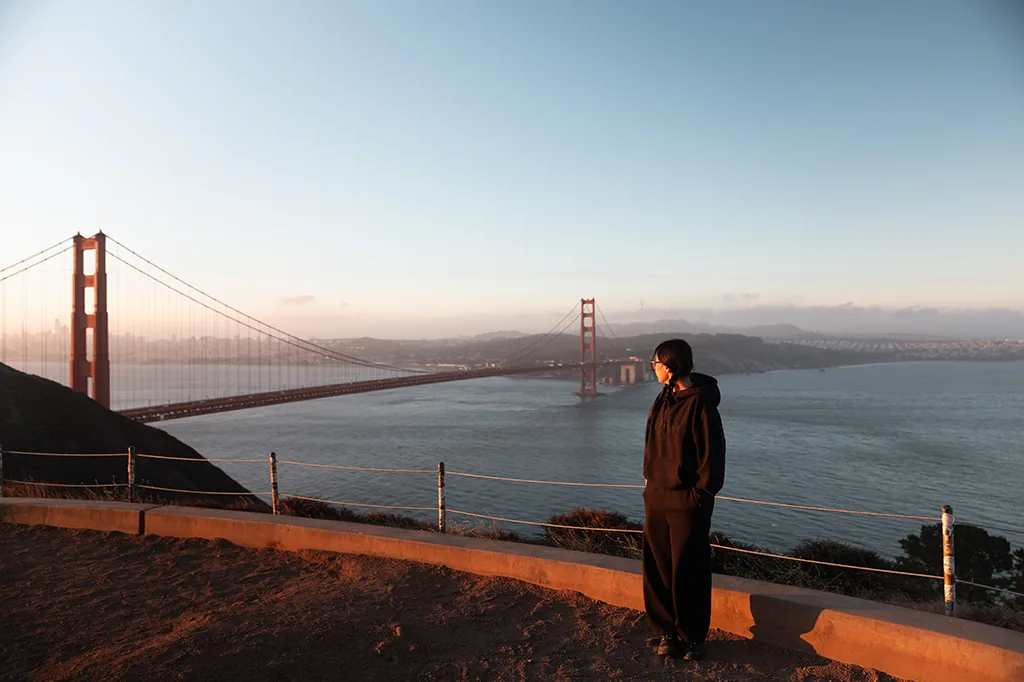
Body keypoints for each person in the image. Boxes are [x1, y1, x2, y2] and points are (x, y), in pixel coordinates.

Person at [643, 338, 726, 661]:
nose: (653, 368)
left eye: (655, 363)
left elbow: (712, 456)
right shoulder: (664, 398)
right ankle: (665, 631)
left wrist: (699, 496)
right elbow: (652, 444)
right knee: (658, 565)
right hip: (657, 495)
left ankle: (691, 637)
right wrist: (649, 481)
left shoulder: (701, 403)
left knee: (688, 568)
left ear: (671, 365)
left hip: (688, 499)